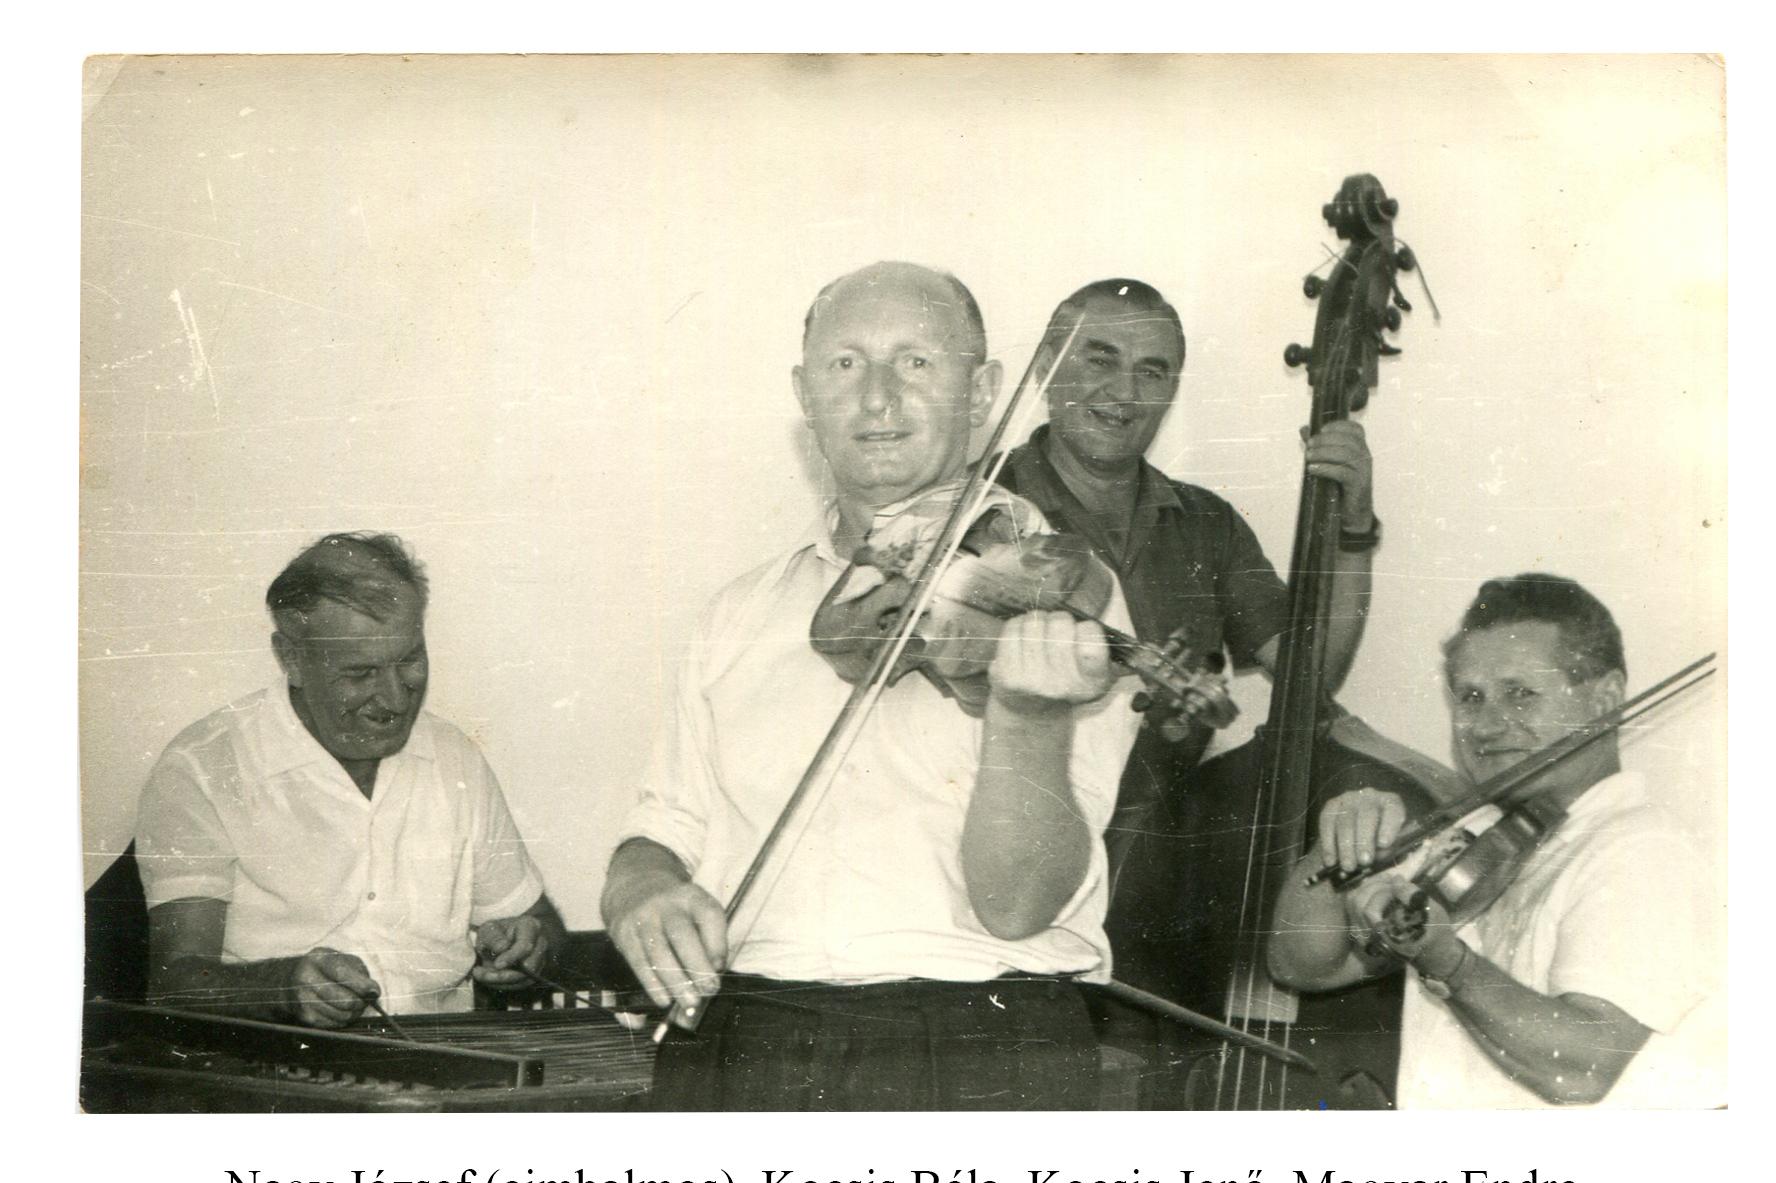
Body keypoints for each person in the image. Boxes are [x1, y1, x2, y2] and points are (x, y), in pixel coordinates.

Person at [602, 261, 1141, 1110]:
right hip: (742, 1038)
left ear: (983, 391)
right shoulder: (737, 612)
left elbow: (1018, 906)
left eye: (917, 362)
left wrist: (1026, 714)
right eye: (845, 364)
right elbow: (661, 827)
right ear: (805, 396)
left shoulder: (1053, 595)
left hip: (975, 1040)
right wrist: (640, 890)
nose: (878, 398)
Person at [994, 279, 1389, 1086]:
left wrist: (1353, 525)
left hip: (1156, 899)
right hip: (1009, 868)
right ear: (1045, 364)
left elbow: (1308, 677)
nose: (1125, 392)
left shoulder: (1205, 524)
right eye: (1099, 359)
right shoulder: (979, 510)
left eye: (1153, 370)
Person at [1267, 574, 1723, 1106]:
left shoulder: (1641, 850)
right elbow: (1302, 964)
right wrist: (1339, 848)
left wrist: (1447, 961)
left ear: (1604, 700)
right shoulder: (1477, 836)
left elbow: (1582, 1069)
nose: (1485, 725)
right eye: (1471, 697)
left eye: (1520, 694)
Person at [138, 532, 564, 1028]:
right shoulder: (203, 767)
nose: (396, 699)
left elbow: (541, 925)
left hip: (447, 1054)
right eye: (360, 673)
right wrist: (281, 988)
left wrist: (530, 946)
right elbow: (173, 984)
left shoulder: (455, 758)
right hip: (277, 1060)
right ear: (291, 659)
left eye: (409, 660)